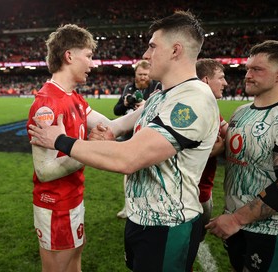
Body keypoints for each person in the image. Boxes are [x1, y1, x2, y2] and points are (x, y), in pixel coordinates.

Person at [29, 11, 220, 271]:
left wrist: (61, 140)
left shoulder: (192, 99)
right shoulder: (161, 96)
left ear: (175, 50)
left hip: (167, 224)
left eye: (152, 46)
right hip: (142, 219)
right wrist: (106, 133)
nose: (146, 55)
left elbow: (129, 158)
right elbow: (116, 126)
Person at [26, 24, 141, 272]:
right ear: (69, 56)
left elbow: (110, 127)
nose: (93, 63)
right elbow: (44, 170)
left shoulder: (74, 97)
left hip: (74, 199)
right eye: (88, 56)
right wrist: (88, 148)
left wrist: (146, 110)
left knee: (74, 265)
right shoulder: (47, 104)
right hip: (55, 205)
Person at [206, 40, 278, 271]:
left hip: (272, 231)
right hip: (237, 226)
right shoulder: (241, 112)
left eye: (257, 70)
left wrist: (236, 219)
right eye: (247, 69)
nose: (247, 75)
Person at [113, 60, 161, 219]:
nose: (142, 78)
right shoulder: (129, 88)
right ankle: (128, 207)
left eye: (145, 75)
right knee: (128, 174)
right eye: (140, 74)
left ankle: (150, 207)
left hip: (149, 138)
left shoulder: (157, 87)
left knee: (151, 175)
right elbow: (117, 110)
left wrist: (146, 105)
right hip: (130, 137)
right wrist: (126, 103)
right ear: (135, 74)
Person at [195, 58, 229, 241]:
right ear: (206, 80)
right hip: (191, 197)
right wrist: (214, 151)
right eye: (221, 77)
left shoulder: (211, 108)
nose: (226, 83)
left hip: (202, 193)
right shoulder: (194, 109)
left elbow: (231, 133)